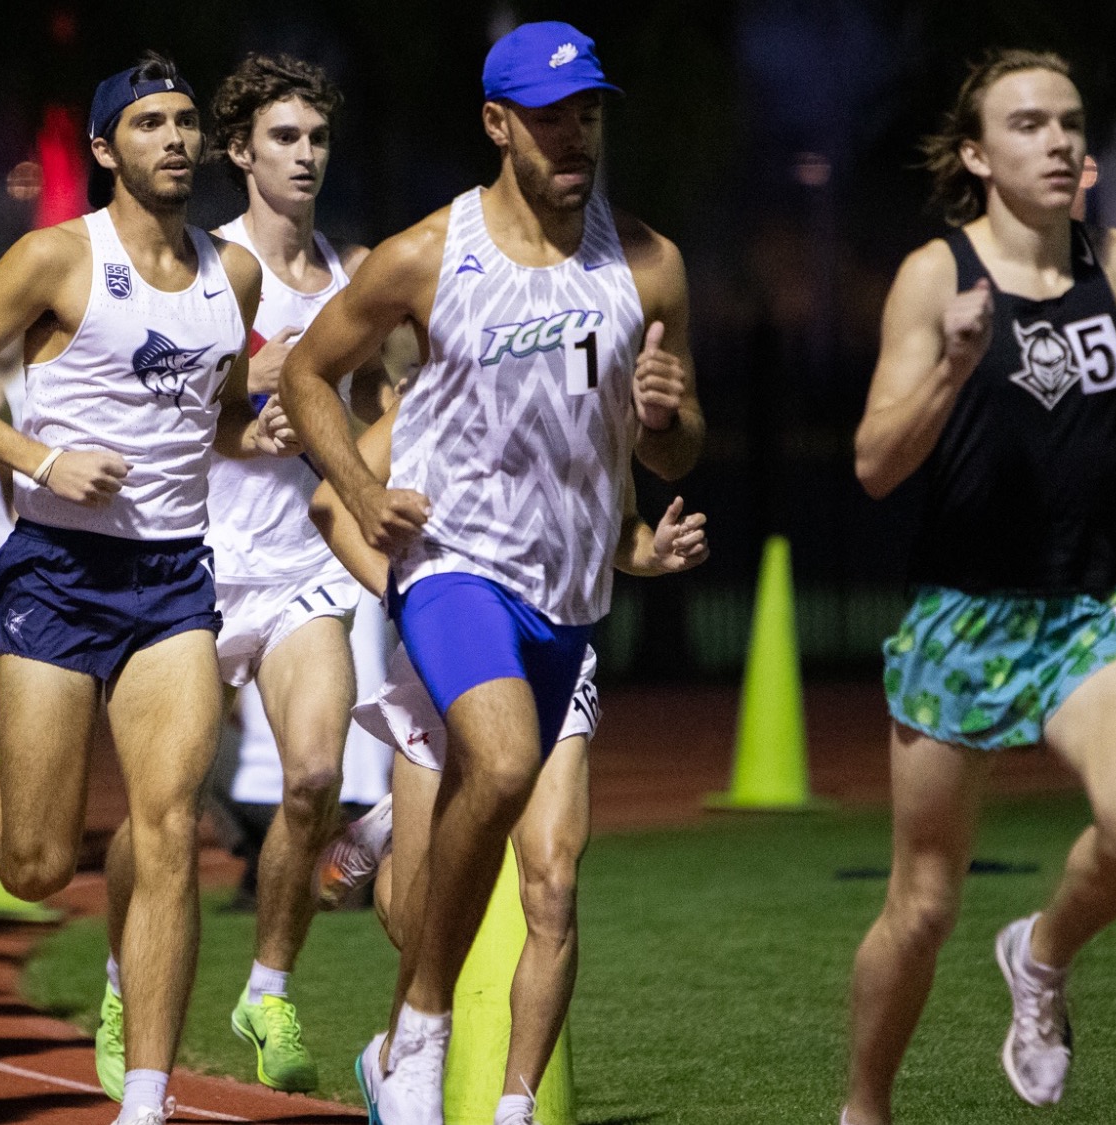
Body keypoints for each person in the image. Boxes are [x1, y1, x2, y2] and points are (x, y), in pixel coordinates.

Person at [276, 23, 702, 1125]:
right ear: (496, 124)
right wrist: (361, 492)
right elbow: (306, 376)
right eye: (550, 119)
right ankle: (419, 1038)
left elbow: (673, 452)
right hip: (452, 566)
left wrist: (666, 421)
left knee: (521, 834)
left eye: (588, 115)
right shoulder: (425, 254)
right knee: (505, 762)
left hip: (569, 597)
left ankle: (404, 1034)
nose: (575, 138)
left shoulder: (646, 263)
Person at [0, 53, 295, 1125]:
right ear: (104, 147)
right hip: (58, 571)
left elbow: (211, 415)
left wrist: (251, 432)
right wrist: (41, 460)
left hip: (172, 579)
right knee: (34, 863)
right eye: (149, 123)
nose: (174, 140)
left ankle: (147, 1100)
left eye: (184, 122)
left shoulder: (233, 274)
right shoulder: (55, 258)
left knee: (166, 832)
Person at [844, 49, 1116, 1125]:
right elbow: (873, 464)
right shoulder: (935, 275)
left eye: (1069, 122)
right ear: (978, 156)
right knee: (922, 906)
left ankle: (1039, 956)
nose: (1059, 141)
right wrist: (949, 367)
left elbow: (1103, 415)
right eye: (1029, 124)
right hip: (963, 611)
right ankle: (864, 1108)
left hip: (1088, 604)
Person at [97, 52, 388, 1094]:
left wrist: (365, 463)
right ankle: (119, 978)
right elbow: (150, 407)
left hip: (305, 565)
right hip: (197, 562)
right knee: (163, 807)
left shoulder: (357, 275)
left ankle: (266, 989)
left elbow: (376, 405)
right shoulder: (206, 268)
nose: (304, 156)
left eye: (317, 138)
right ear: (238, 151)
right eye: (283, 138)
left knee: (312, 777)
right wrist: (243, 419)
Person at [308, 408, 707, 1125]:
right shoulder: (445, 383)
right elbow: (331, 504)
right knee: (417, 913)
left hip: (555, 651)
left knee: (553, 883)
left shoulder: (590, 377)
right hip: (451, 649)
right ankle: (397, 848)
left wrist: (655, 551)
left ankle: (515, 1109)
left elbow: (620, 528)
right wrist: (407, 597)